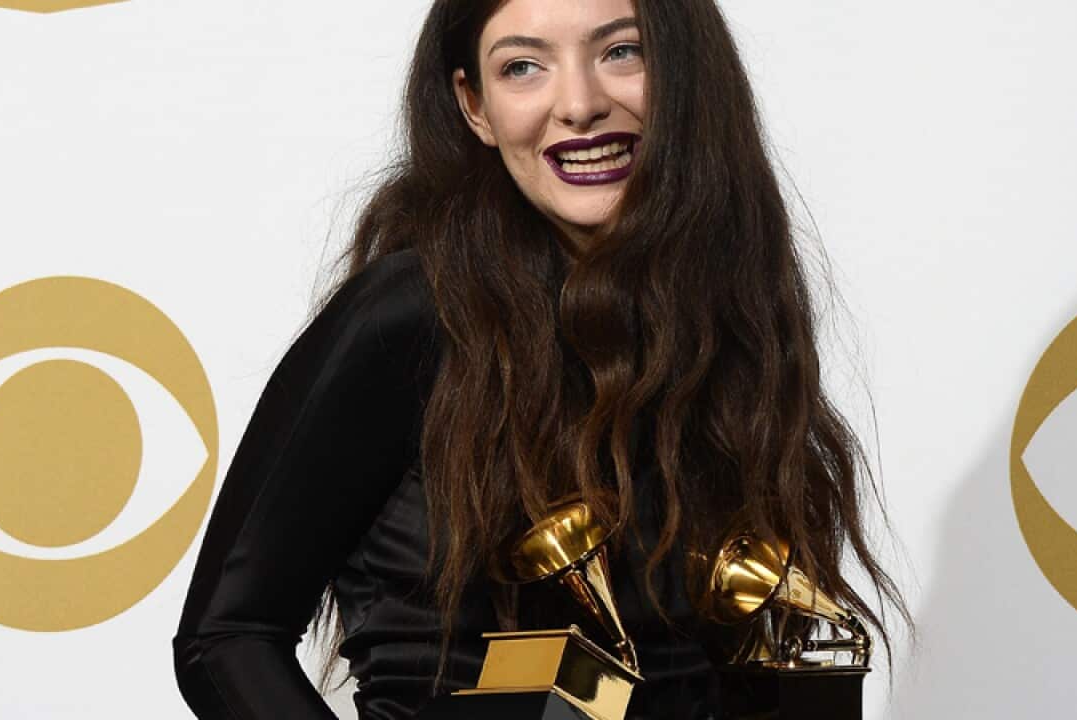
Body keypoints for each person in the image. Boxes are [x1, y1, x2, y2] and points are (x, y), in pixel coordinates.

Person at [171, 0, 908, 718]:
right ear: (475, 107)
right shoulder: (411, 315)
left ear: (688, 78)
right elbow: (226, 639)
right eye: (523, 66)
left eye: (622, 51)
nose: (579, 104)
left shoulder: (735, 322)